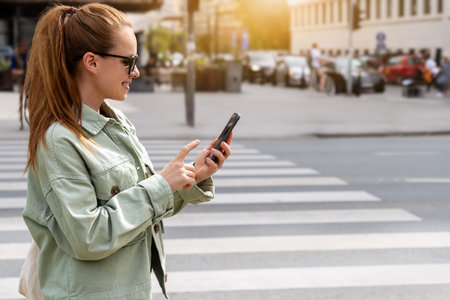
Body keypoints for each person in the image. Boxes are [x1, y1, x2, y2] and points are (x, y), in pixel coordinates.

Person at [21, 4, 232, 300]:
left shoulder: (117, 123)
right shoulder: (60, 140)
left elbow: (138, 213)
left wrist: (189, 179)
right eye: (128, 61)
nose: (137, 71)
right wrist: (160, 184)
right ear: (92, 62)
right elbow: (88, 237)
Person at [9, 41, 28, 130]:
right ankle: (21, 120)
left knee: (32, 100)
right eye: (24, 48)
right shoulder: (15, 55)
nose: (25, 49)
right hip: (21, 80)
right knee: (21, 100)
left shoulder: (28, 54)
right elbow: (12, 70)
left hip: (29, 79)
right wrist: (22, 72)